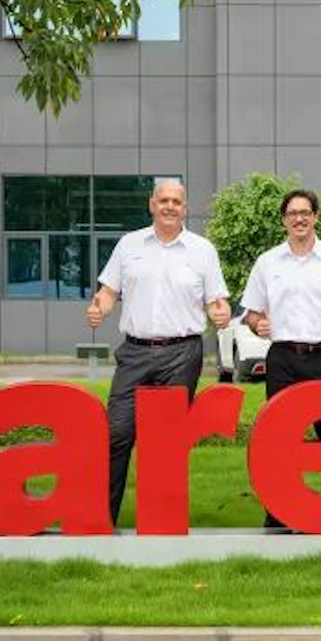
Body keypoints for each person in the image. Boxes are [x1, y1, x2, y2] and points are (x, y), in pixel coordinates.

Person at [87, 177, 231, 528]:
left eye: (176, 202)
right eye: (163, 200)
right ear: (152, 204)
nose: (169, 207)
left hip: (181, 354)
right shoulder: (128, 245)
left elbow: (218, 300)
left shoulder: (202, 250)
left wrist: (221, 312)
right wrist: (100, 307)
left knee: (166, 442)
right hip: (134, 353)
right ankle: (101, 520)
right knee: (116, 433)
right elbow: (108, 291)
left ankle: (162, 521)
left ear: (185, 208)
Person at [239, 188, 321, 529]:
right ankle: (279, 513)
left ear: (315, 217)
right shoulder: (267, 262)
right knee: (278, 438)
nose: (299, 218)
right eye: (292, 213)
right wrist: (258, 324)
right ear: (284, 220)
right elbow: (251, 314)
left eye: (305, 212)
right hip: (283, 358)